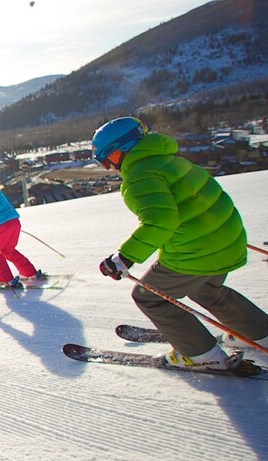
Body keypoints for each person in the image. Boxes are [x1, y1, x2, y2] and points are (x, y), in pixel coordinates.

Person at [92, 116, 268, 370]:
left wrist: (124, 258)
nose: (109, 168)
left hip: (198, 250)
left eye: (105, 161)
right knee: (207, 289)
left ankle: (201, 356)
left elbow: (160, 221)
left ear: (117, 152)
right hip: (228, 240)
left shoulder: (140, 175)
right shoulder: (170, 160)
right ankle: (259, 332)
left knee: (150, 296)